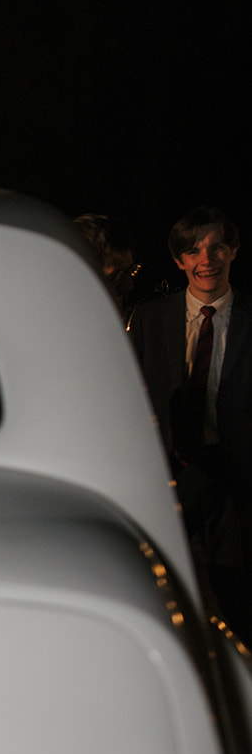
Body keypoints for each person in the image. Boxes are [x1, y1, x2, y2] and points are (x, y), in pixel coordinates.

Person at [128, 205, 252, 636]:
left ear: (233, 251)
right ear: (179, 260)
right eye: (193, 251)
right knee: (157, 596)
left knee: (237, 598)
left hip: (235, 481)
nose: (206, 259)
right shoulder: (150, 319)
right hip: (167, 477)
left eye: (216, 247)